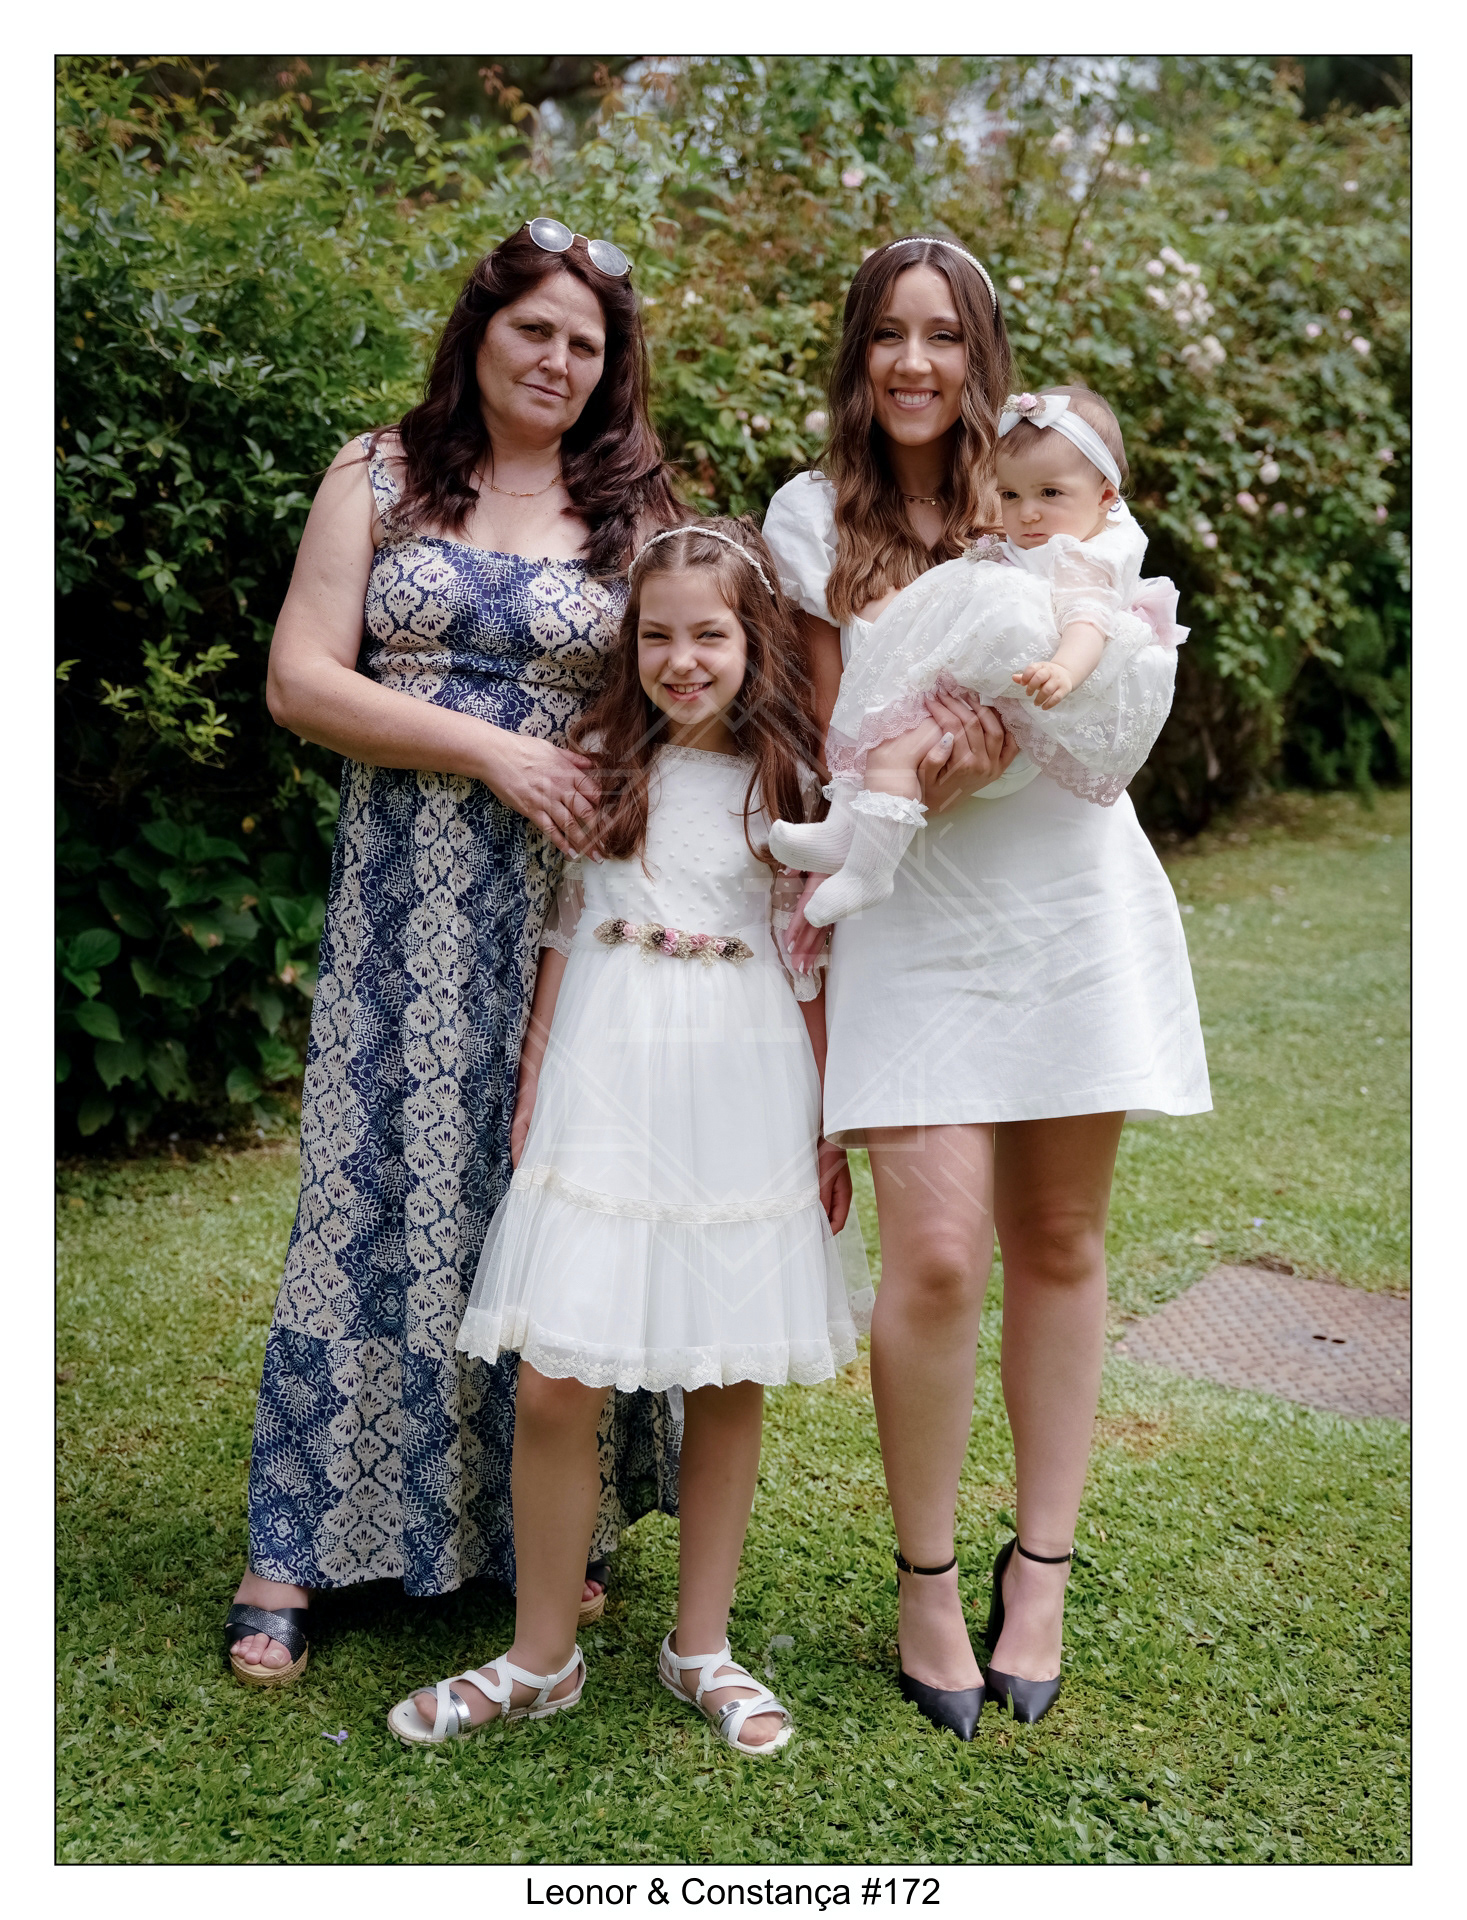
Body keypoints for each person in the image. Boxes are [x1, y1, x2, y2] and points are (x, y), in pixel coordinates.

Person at [225, 220, 686, 1686]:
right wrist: (495, 751)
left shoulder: (635, 510)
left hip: (570, 905)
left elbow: (685, 684)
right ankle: (296, 1543)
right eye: (533, 329)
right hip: (401, 899)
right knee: (368, 1188)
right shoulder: (377, 474)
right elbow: (300, 680)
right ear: (480, 331)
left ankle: (542, 1525)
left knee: (545, 1181)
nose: (557, 360)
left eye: (586, 343)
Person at [762, 236, 1210, 1737]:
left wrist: (1011, 735)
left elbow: (1119, 662)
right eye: (887, 333)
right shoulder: (809, 516)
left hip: (1063, 895)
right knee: (941, 1257)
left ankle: (1044, 1571)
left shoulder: (1047, 483)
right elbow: (821, 726)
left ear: (982, 355)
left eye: (943, 335)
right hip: (911, 908)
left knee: (1060, 1236)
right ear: (855, 353)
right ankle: (927, 1580)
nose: (914, 362)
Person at [385, 520, 870, 1752]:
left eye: (709, 634)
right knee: (558, 1375)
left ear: (752, 642)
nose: (682, 659)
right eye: (658, 635)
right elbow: (563, 923)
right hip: (603, 1065)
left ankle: (700, 1643)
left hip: (743, 1070)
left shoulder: (786, 779)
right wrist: (536, 1068)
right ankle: (540, 1656)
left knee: (725, 1363)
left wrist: (829, 1119)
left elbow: (807, 957)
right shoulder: (603, 759)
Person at [771, 383, 1188, 924]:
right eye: (1010, 496)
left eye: (1049, 494)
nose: (1027, 513)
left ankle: (869, 871)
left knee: (893, 750)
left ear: (1106, 496)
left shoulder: (1083, 557)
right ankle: (844, 834)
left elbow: (1088, 620)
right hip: (970, 694)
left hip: (1010, 719)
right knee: (879, 732)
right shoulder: (1042, 539)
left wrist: (1063, 669)